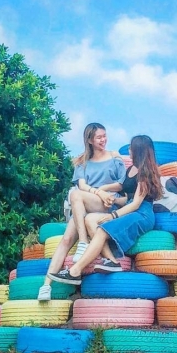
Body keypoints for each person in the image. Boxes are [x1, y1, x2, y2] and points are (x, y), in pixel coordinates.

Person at [50, 135, 163, 285]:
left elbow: (136, 204)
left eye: (131, 148)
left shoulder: (145, 173)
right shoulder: (131, 169)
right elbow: (125, 196)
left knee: (102, 230)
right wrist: (109, 196)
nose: (129, 150)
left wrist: (113, 215)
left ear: (138, 150)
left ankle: (75, 271)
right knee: (90, 219)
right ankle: (112, 261)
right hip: (129, 208)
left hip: (142, 214)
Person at [37, 122, 126, 301]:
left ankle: (84, 242)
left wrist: (103, 191)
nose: (103, 140)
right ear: (90, 140)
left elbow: (121, 184)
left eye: (104, 135)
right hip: (85, 204)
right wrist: (97, 192)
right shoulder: (82, 162)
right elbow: (82, 185)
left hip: (107, 204)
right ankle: (46, 286)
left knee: (76, 195)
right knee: (66, 240)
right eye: (99, 137)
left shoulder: (115, 157)